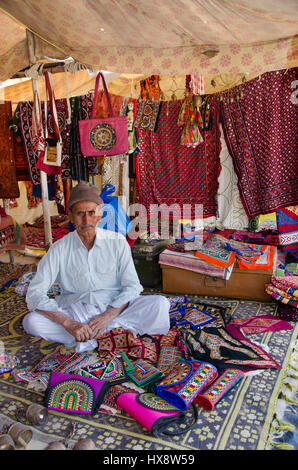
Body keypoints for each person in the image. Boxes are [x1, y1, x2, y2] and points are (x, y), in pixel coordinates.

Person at [23, 181, 170, 352]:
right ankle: (112, 333)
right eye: (80, 214)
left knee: (160, 304)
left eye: (91, 213)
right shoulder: (59, 249)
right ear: (70, 216)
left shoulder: (117, 242)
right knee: (31, 322)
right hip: (76, 313)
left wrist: (108, 316)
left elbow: (132, 286)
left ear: (100, 214)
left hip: (114, 309)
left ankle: (97, 333)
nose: (86, 220)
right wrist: (68, 323)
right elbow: (34, 294)